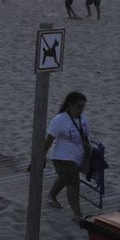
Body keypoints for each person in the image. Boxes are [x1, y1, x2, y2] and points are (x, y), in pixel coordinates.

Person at [43, 91, 91, 222]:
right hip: (61, 157)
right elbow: (49, 139)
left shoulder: (83, 119)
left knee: (65, 177)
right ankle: (77, 214)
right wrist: (42, 156)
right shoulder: (60, 120)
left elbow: (85, 136)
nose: (81, 109)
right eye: (78, 106)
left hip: (77, 157)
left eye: (83, 106)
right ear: (70, 105)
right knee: (73, 182)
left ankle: (51, 196)